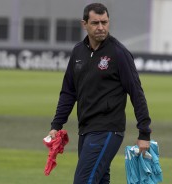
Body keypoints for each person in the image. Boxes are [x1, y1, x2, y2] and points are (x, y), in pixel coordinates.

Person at [48, 3, 152, 184]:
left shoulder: (119, 53)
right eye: (95, 23)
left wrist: (144, 133)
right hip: (86, 129)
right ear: (84, 24)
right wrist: (57, 124)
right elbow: (68, 92)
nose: (101, 27)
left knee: (83, 181)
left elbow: (136, 92)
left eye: (104, 22)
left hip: (108, 129)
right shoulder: (78, 52)